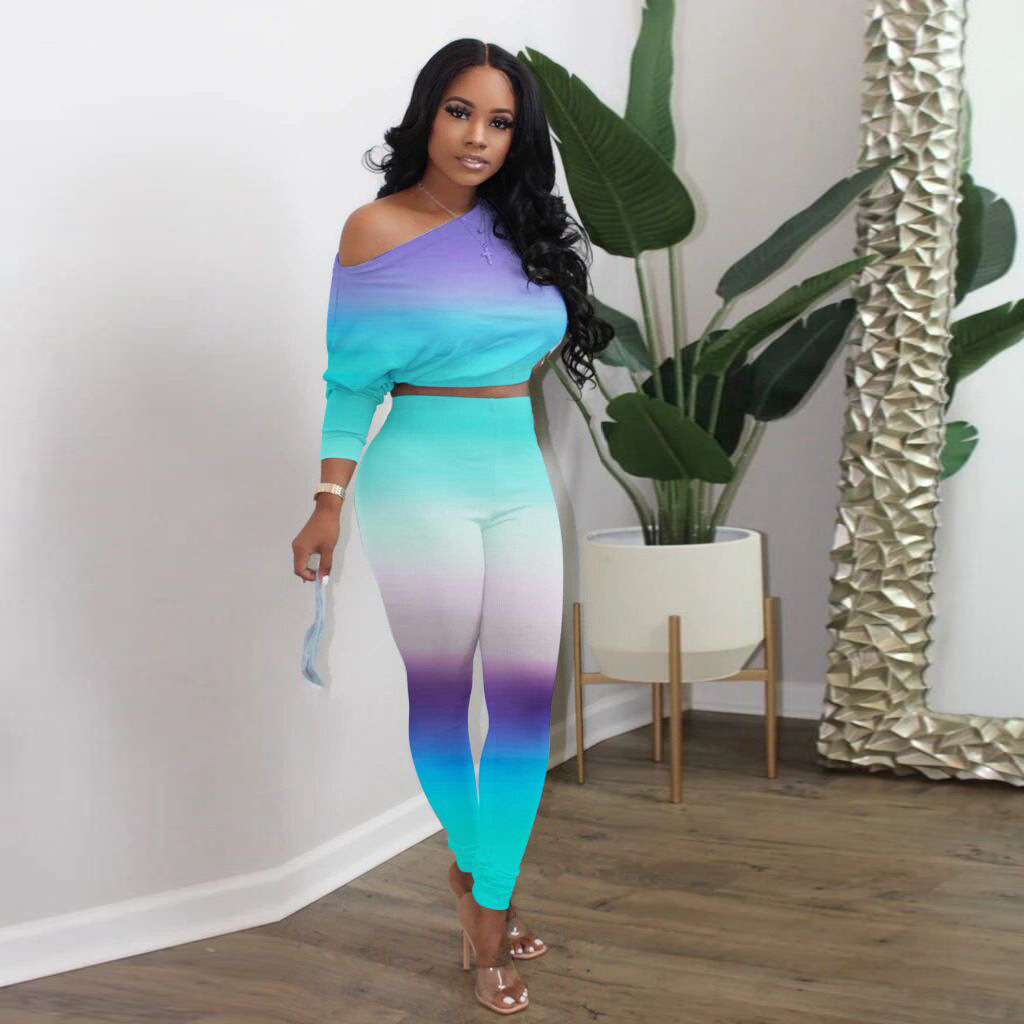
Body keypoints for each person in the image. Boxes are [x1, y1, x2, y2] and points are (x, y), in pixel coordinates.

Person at [291, 38, 610, 1015]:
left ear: (519, 137)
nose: (477, 136)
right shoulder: (375, 229)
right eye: (460, 112)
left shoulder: (525, 231)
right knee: (442, 697)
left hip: (517, 478)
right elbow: (352, 382)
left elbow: (528, 351)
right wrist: (328, 500)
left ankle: (482, 889)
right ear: (428, 114)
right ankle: (486, 917)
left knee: (522, 708)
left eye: (500, 121)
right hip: (417, 482)